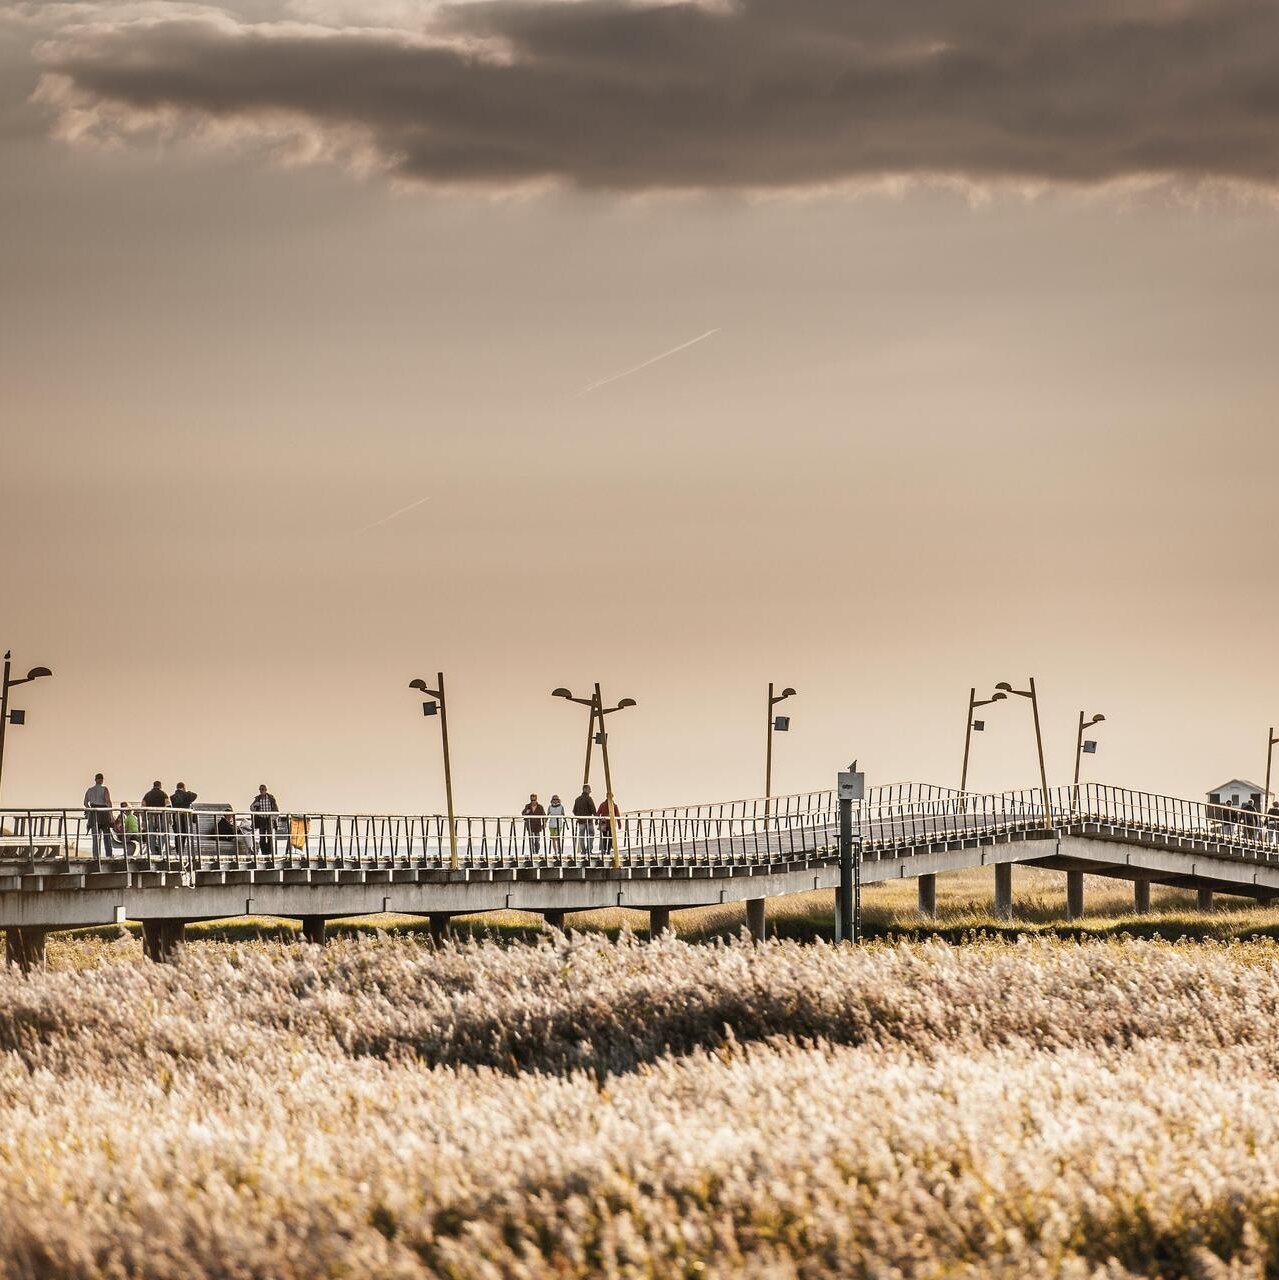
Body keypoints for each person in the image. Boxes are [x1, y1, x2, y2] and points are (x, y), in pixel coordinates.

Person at [83, 773, 114, 859]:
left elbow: (85, 803)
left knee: (95, 836)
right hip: (103, 812)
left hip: (93, 812)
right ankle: (109, 855)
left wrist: (89, 811)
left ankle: (96, 856)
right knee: (106, 836)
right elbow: (108, 801)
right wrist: (111, 815)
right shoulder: (104, 789)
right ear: (101, 780)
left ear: (95, 780)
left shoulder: (89, 790)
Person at [141, 780, 170, 855]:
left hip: (150, 817)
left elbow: (143, 805)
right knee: (163, 834)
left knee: (151, 835)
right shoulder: (164, 794)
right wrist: (169, 818)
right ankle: (160, 849)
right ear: (160, 786)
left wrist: (144, 819)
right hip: (161, 817)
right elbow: (168, 805)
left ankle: (153, 851)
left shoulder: (147, 795)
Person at [250, 784, 279, 857]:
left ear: (266, 790)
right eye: (260, 789)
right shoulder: (258, 799)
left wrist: (274, 817)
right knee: (262, 836)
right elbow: (251, 808)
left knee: (269, 836)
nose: (261, 791)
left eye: (262, 789)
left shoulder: (271, 798)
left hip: (269, 819)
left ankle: (269, 852)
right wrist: (254, 805)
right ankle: (264, 853)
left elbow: (276, 809)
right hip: (261, 819)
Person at [171, 781, 197, 854]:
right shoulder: (187, 795)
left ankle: (178, 851)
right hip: (185, 818)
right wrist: (188, 792)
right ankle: (182, 850)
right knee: (185, 834)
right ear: (184, 787)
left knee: (177, 835)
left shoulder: (172, 797)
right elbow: (195, 795)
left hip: (176, 818)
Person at [573, 784, 596, 856]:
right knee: (591, 835)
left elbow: (574, 811)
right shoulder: (589, 798)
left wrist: (578, 817)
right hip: (588, 821)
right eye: (589, 789)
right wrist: (596, 818)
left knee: (581, 836)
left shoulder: (577, 799)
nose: (590, 791)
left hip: (580, 821)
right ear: (585, 789)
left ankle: (583, 851)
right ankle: (589, 850)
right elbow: (593, 809)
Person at [521, 793, 546, 858]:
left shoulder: (540, 807)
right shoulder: (527, 806)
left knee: (537, 840)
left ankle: (537, 852)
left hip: (537, 826)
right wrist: (527, 812)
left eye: (534, 800)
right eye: (532, 800)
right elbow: (523, 814)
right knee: (531, 840)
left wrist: (544, 824)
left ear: (536, 799)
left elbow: (544, 816)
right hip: (530, 826)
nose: (533, 801)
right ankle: (533, 853)